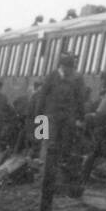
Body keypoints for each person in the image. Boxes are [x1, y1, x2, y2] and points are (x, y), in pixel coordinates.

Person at [36, 52, 88, 196]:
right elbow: (42, 97)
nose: (70, 71)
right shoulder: (52, 76)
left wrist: (81, 118)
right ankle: (43, 180)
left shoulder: (76, 78)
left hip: (66, 120)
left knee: (62, 148)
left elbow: (80, 100)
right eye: (68, 68)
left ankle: (56, 181)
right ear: (62, 66)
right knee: (46, 145)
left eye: (71, 68)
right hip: (48, 118)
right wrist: (38, 119)